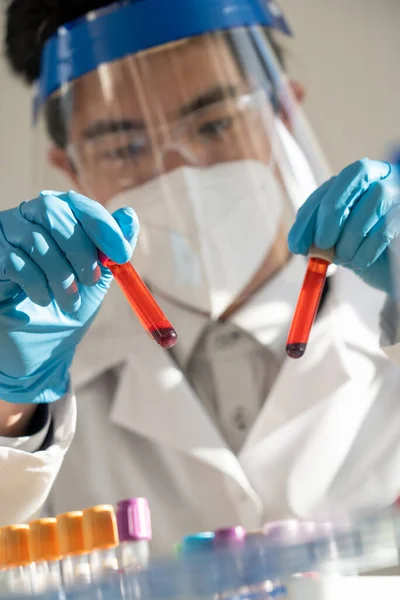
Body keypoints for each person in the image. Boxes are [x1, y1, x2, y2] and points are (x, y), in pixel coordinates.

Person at [1, 0, 400, 552]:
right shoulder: (32, 380)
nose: (180, 171)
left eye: (214, 123)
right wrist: (11, 407)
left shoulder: (384, 311)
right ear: (72, 171)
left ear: (284, 114)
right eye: (124, 147)